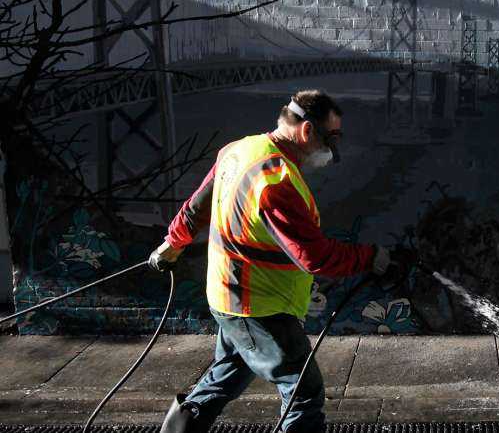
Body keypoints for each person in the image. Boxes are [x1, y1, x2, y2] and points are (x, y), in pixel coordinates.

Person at [149, 90, 396, 433]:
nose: (333, 149)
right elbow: (316, 257)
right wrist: (370, 257)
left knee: (223, 380)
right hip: (259, 307)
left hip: (228, 297)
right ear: (307, 131)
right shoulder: (276, 181)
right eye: (332, 138)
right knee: (303, 394)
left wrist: (171, 245)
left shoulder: (239, 150)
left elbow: (196, 208)